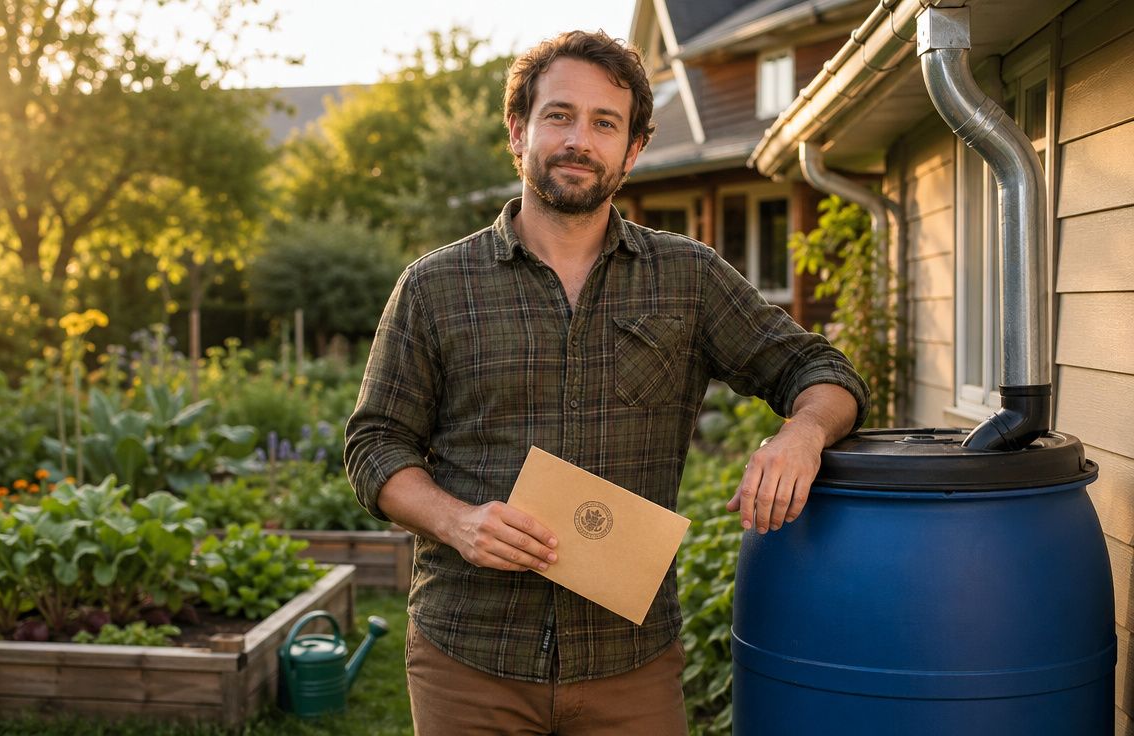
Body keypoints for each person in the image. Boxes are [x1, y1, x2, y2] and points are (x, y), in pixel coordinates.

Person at [345, 30, 868, 735]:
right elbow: (374, 444)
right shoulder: (435, 286)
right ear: (518, 129)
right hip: (468, 654)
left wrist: (803, 434)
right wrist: (456, 522)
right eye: (558, 115)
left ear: (634, 148)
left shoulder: (688, 278)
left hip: (631, 663)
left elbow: (821, 371)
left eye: (604, 123)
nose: (578, 141)